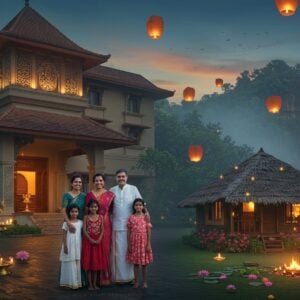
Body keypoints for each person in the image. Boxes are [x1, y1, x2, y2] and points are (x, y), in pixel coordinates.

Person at [110, 169, 148, 283]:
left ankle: (132, 278)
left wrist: (146, 214)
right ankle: (118, 278)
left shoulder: (133, 188)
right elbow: (107, 208)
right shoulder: (111, 191)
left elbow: (141, 203)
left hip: (132, 227)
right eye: (119, 177)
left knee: (131, 251)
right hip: (116, 226)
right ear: (116, 178)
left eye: (123, 176)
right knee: (118, 253)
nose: (121, 178)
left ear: (127, 177)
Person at [85, 173, 115, 286]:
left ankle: (104, 277)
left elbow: (112, 210)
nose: (99, 182)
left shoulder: (110, 194)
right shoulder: (89, 195)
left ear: (104, 182)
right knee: (93, 250)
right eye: (96, 181)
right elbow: (86, 211)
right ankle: (93, 280)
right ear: (93, 182)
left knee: (105, 249)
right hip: (92, 224)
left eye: (101, 180)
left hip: (106, 224)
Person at [126, 198, 153, 289]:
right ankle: (136, 281)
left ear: (143, 206)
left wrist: (148, 244)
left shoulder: (146, 217)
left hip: (144, 242)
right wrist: (129, 244)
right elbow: (129, 232)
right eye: (136, 205)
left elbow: (148, 231)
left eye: (140, 205)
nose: (138, 206)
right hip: (134, 242)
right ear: (134, 206)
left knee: (145, 264)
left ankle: (145, 282)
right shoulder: (131, 217)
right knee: (136, 264)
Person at [81, 199, 104, 290]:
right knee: (89, 264)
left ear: (98, 207)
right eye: (91, 207)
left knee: (96, 263)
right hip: (88, 242)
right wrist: (90, 239)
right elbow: (84, 230)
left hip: (98, 242)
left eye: (95, 207)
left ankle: (95, 284)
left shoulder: (101, 217)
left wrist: (99, 239)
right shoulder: (86, 217)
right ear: (88, 208)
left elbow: (102, 230)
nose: (93, 208)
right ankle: (90, 284)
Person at [59, 203, 83, 289]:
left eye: (76, 211)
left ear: (78, 213)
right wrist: (65, 246)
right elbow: (64, 235)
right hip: (69, 245)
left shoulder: (80, 222)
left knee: (76, 261)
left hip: (77, 245)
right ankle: (68, 282)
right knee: (69, 262)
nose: (74, 213)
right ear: (69, 213)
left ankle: (76, 282)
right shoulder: (66, 223)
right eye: (72, 211)